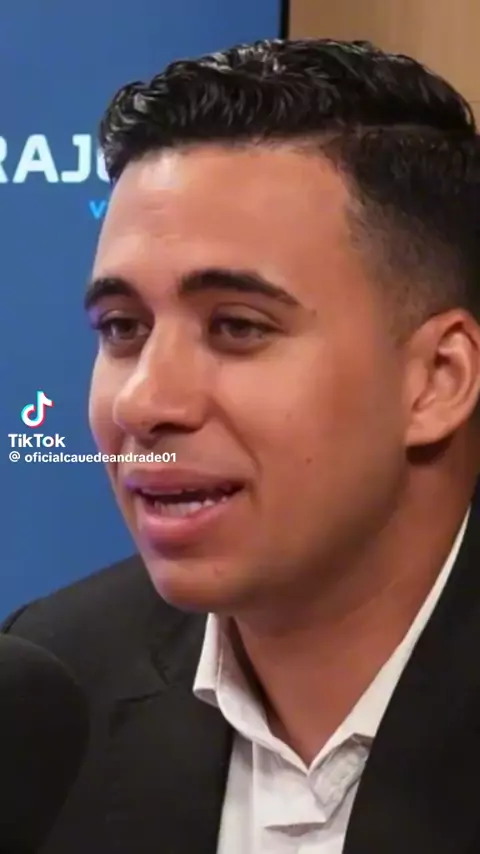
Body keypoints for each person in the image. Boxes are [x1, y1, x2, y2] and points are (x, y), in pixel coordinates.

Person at [2, 37, 480, 854]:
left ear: (438, 378)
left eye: (237, 327)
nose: (144, 401)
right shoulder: (53, 687)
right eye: (122, 328)